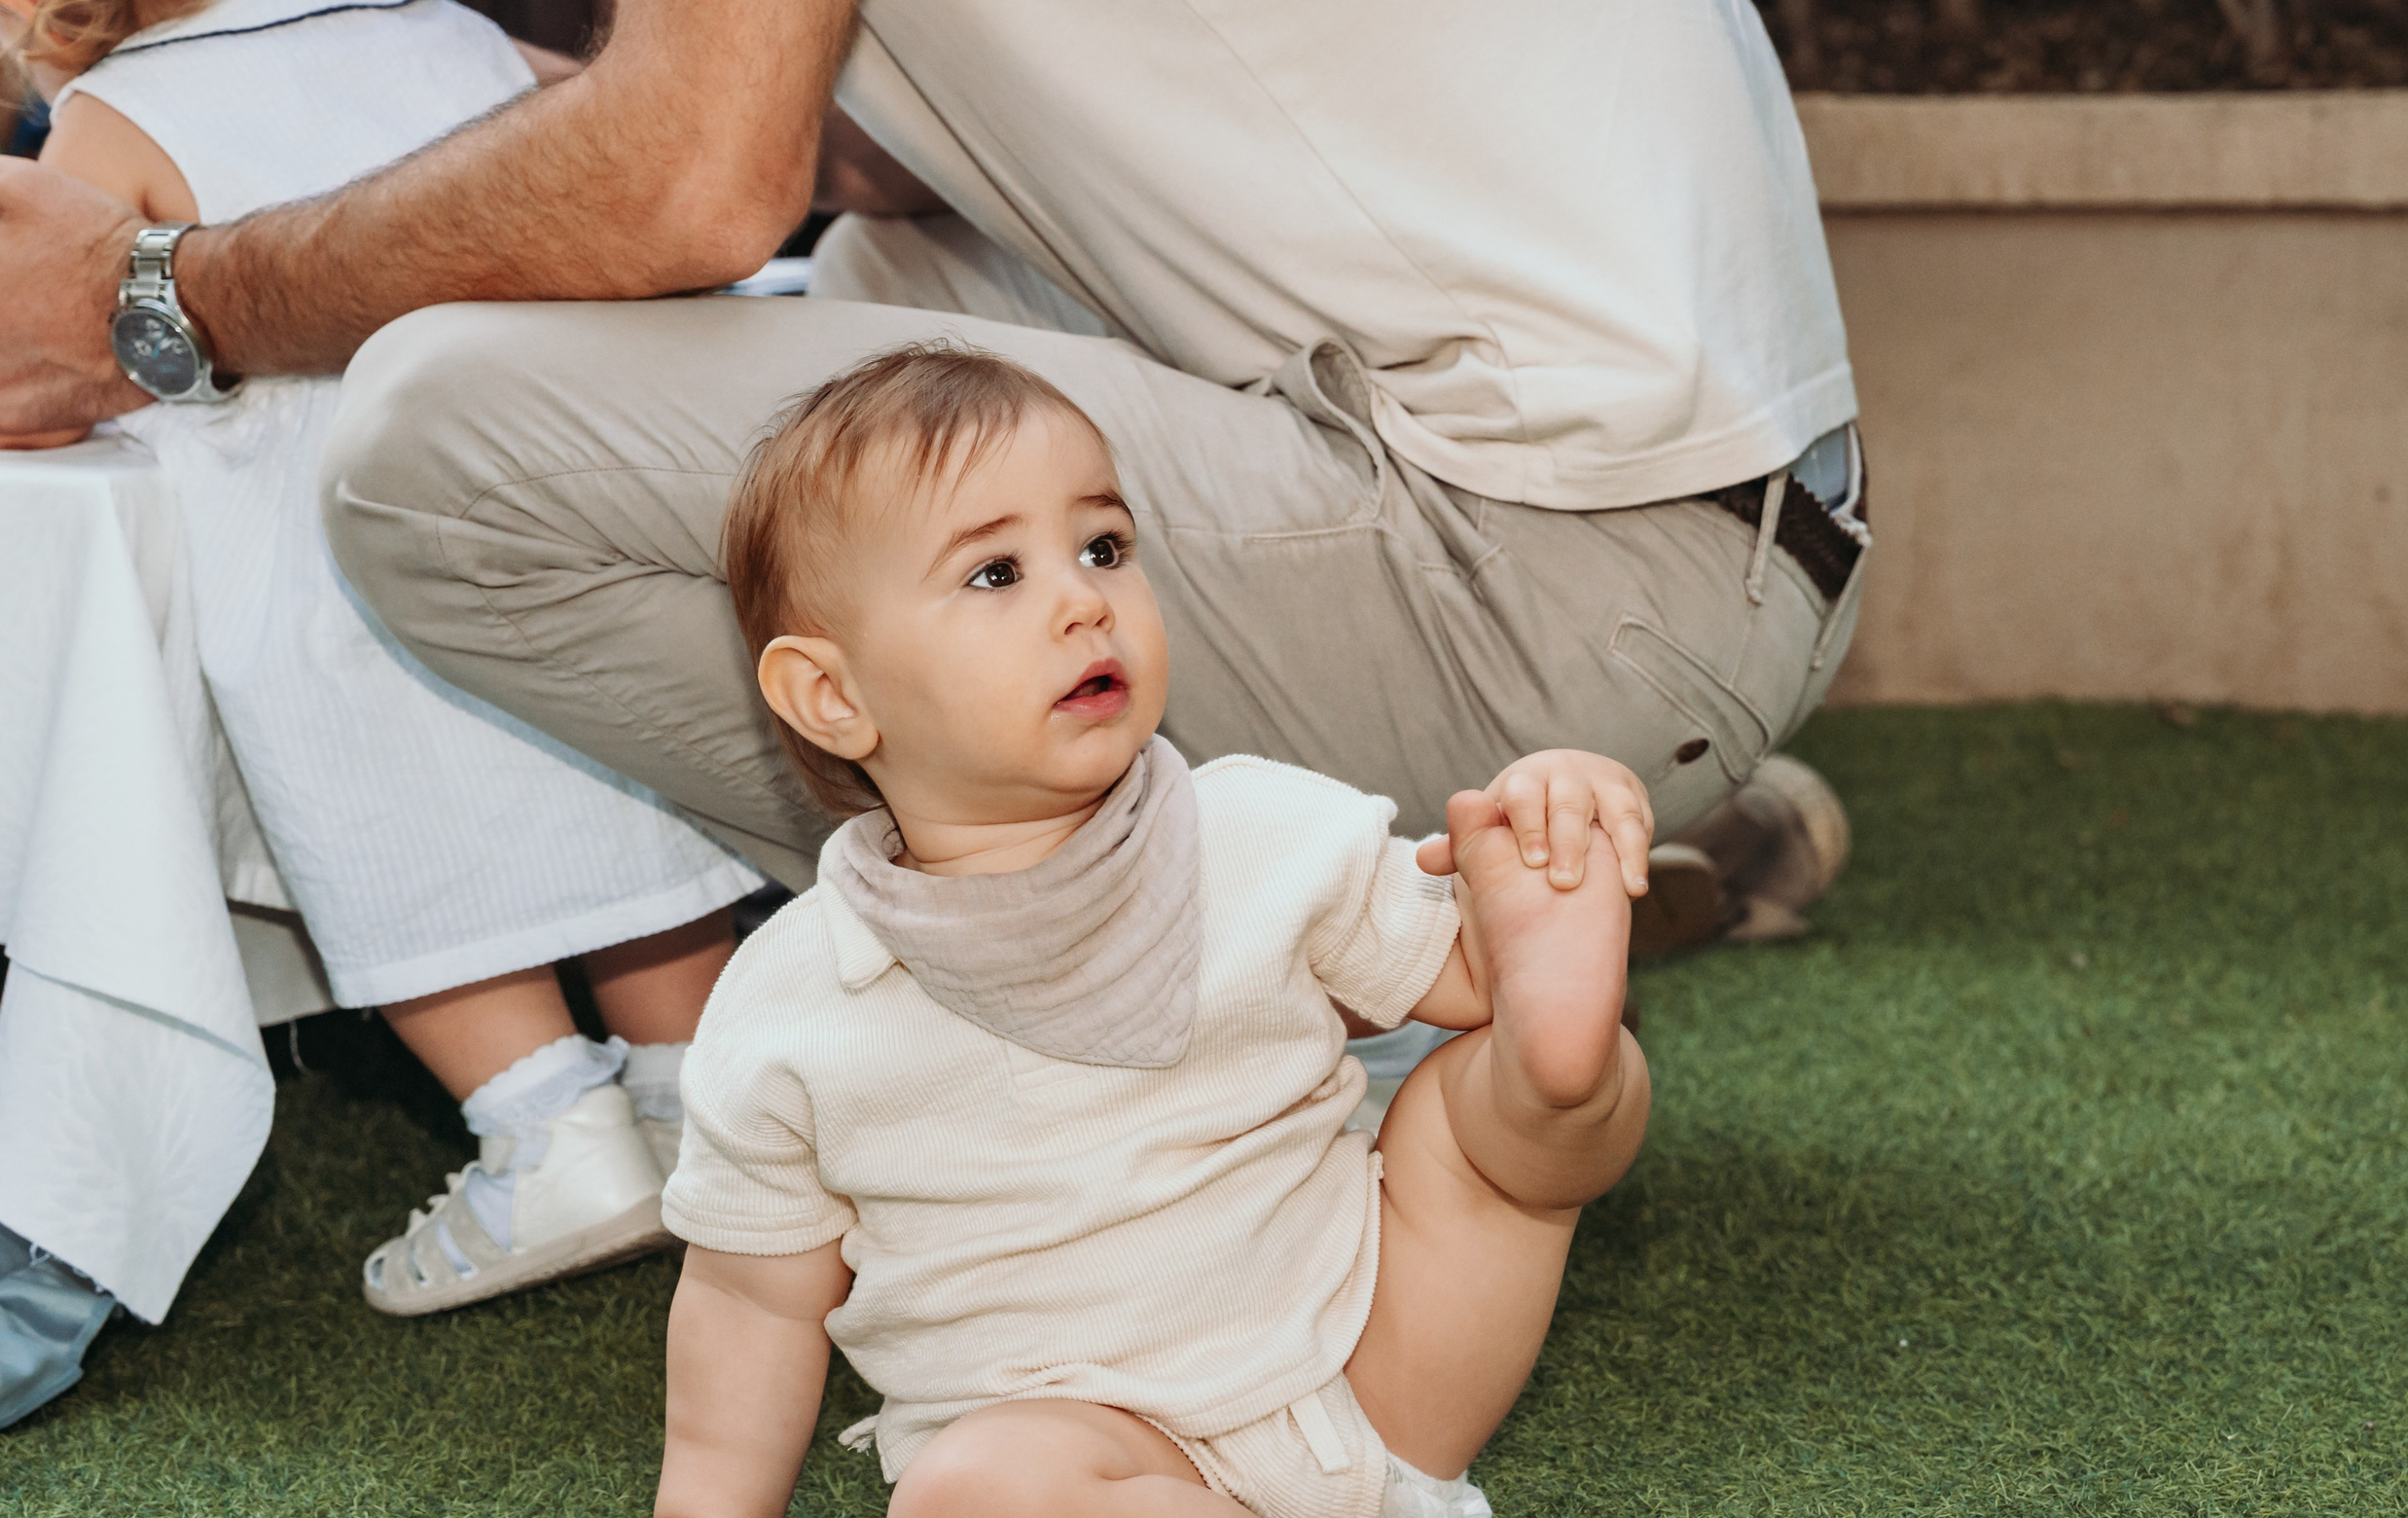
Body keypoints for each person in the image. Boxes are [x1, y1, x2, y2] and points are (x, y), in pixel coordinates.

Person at [0, 0, 1865, 1306]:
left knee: (432, 446)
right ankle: (1440, 861)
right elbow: (858, 169)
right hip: (1703, 511)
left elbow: (693, 182)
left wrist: (155, 299)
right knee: (888, 330)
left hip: (1552, 553)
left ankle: (1219, 999)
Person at [557, 344, 1655, 1518]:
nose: (1083, 604)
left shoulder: (1259, 829)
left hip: (1378, 1357)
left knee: (1501, 1096)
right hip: (1092, 1460)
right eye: (996, 573)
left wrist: (1525, 881)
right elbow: (750, 1300)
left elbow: (1459, 989)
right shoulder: (792, 1004)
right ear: (834, 695)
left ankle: (1566, 1061)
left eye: (1104, 546)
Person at [0, 0, 766, 1427]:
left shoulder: (118, 122)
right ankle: (697, 1100)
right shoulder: (464, 45)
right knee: (618, 812)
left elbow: (44, 359)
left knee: (412, 851)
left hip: (335, 596)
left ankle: (546, 1130)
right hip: (547, 538)